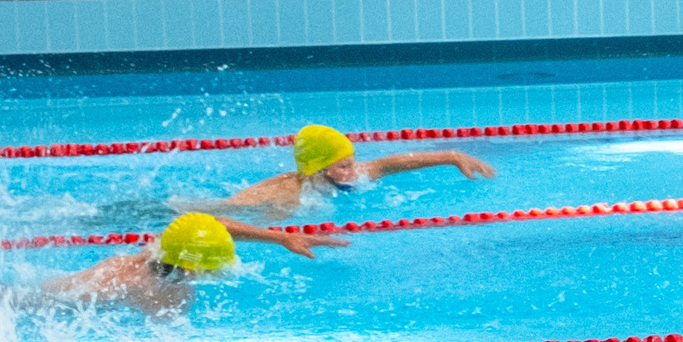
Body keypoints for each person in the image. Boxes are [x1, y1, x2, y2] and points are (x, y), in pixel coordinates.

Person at [43, 211, 345, 317]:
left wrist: (281, 238)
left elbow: (212, 224)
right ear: (190, 267)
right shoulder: (123, 287)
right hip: (60, 299)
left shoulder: (167, 249)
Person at [209, 124, 494, 213]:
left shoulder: (345, 173)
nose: (353, 171)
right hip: (218, 210)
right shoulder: (291, 195)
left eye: (352, 162)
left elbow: (388, 164)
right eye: (343, 166)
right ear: (320, 170)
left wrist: (452, 155)